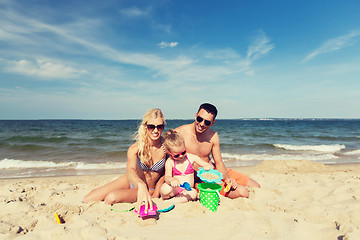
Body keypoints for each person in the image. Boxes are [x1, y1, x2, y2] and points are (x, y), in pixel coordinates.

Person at [83, 108, 166, 213]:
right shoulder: (135, 148)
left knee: (110, 198)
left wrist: (158, 188)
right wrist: (140, 184)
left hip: (148, 189)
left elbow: (168, 169)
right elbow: (130, 170)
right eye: (151, 127)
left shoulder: (166, 146)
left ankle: (126, 194)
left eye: (159, 127)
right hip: (134, 182)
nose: (155, 130)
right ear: (145, 126)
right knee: (88, 199)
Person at [175, 103, 260, 199]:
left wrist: (227, 178)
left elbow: (219, 162)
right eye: (199, 119)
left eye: (207, 122)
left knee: (256, 185)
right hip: (199, 180)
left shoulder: (213, 136)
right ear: (196, 116)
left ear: (212, 123)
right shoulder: (180, 133)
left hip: (215, 172)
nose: (202, 124)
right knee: (243, 192)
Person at [160, 129, 214, 203]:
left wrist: (208, 166)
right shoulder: (170, 162)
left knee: (193, 194)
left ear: (185, 147)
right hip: (175, 189)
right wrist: (172, 180)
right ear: (169, 152)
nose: (181, 156)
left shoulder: (191, 157)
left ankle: (170, 201)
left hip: (187, 190)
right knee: (165, 189)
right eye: (176, 155)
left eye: (183, 152)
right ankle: (169, 198)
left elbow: (209, 165)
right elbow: (167, 177)